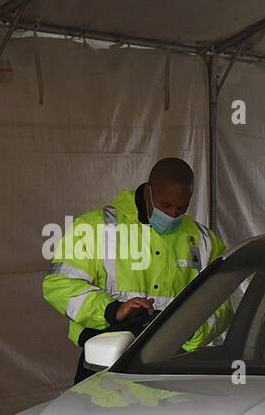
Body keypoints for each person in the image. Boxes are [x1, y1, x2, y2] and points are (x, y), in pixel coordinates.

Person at [43, 157, 228, 383]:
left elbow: (227, 300)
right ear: (148, 192)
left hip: (178, 366)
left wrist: (194, 330)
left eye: (181, 208)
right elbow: (59, 284)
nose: (172, 215)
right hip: (107, 367)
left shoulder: (204, 240)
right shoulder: (95, 228)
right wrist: (112, 310)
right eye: (166, 205)